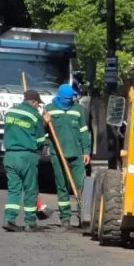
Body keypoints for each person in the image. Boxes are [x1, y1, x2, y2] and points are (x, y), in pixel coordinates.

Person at [45, 83, 91, 230]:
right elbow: (41, 130)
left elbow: (84, 131)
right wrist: (44, 122)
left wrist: (86, 151)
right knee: (62, 186)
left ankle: (81, 216)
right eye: (68, 97)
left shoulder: (77, 109)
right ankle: (65, 218)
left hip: (76, 154)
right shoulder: (49, 109)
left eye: (72, 97)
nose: (70, 100)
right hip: (58, 154)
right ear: (60, 97)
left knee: (80, 186)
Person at [2, 89, 47, 232]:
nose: (38, 107)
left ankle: (9, 219)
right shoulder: (35, 116)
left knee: (14, 189)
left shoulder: (10, 112)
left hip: (9, 156)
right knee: (30, 189)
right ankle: (30, 222)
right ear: (33, 101)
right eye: (37, 104)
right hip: (26, 156)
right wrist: (45, 124)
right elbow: (40, 141)